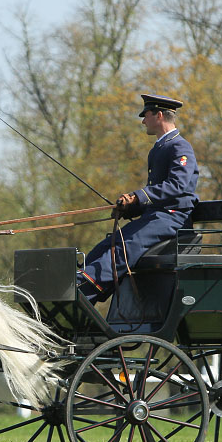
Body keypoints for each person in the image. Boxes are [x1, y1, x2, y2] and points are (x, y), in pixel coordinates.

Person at [78, 94, 199, 304]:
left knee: (124, 247)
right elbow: (159, 193)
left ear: (159, 115)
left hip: (173, 218)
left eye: (146, 115)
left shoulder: (179, 146)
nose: (143, 121)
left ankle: (85, 289)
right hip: (158, 216)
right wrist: (132, 208)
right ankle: (83, 282)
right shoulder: (160, 148)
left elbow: (177, 186)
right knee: (108, 244)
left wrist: (137, 197)